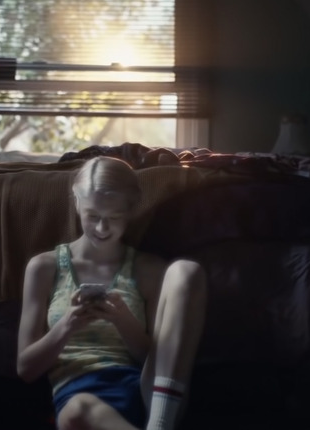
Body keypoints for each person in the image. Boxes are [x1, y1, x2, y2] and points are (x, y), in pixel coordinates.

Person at [17, 156, 208, 430]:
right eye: (92, 216)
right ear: (77, 204)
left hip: (148, 393)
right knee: (80, 409)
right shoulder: (44, 268)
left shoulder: (147, 269)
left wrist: (123, 321)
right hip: (77, 396)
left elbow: (161, 357)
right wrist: (68, 325)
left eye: (114, 218)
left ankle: (160, 423)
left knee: (186, 271)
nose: (102, 228)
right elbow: (26, 369)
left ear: (130, 211)